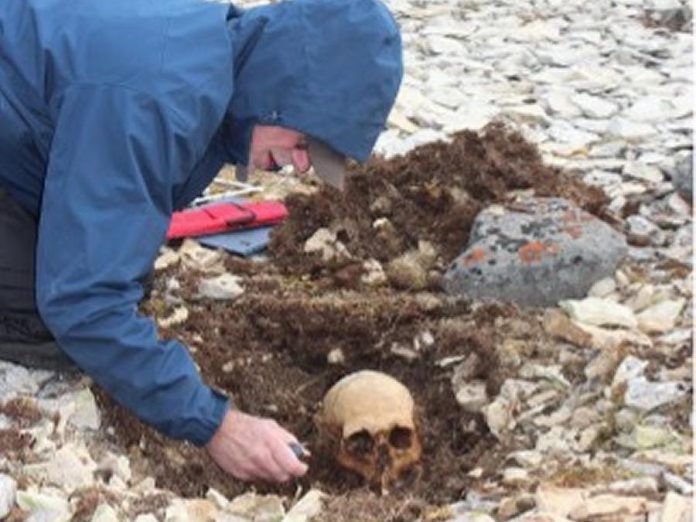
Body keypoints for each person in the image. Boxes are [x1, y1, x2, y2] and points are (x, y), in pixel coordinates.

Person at [0, 0, 403, 482]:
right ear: (283, 89)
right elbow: (81, 301)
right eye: (304, 144)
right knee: (50, 320)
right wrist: (217, 425)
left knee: (112, 283)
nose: (299, 167)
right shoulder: (156, 101)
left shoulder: (215, 61)